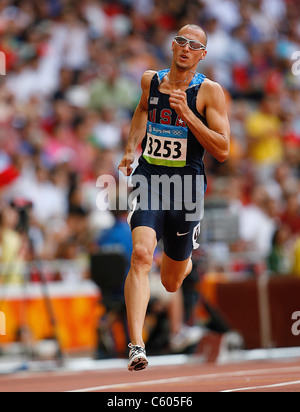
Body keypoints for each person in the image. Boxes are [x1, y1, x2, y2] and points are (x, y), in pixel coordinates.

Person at [118, 24, 230, 371]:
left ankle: (185, 260)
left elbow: (223, 149)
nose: (185, 47)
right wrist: (129, 149)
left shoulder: (209, 92)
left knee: (171, 281)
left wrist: (188, 116)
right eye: (181, 41)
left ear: (202, 55)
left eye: (194, 45)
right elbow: (141, 110)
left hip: (187, 185)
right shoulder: (151, 81)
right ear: (172, 45)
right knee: (140, 255)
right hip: (150, 176)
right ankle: (137, 345)